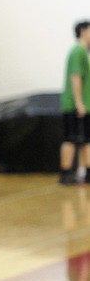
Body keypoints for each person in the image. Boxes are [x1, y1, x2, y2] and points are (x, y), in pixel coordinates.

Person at [59, 20, 90, 184]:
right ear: (84, 31)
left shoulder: (84, 52)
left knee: (86, 141)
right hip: (75, 105)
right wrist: (79, 103)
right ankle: (65, 174)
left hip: (84, 105)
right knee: (70, 139)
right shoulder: (78, 51)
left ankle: (87, 173)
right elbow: (76, 77)